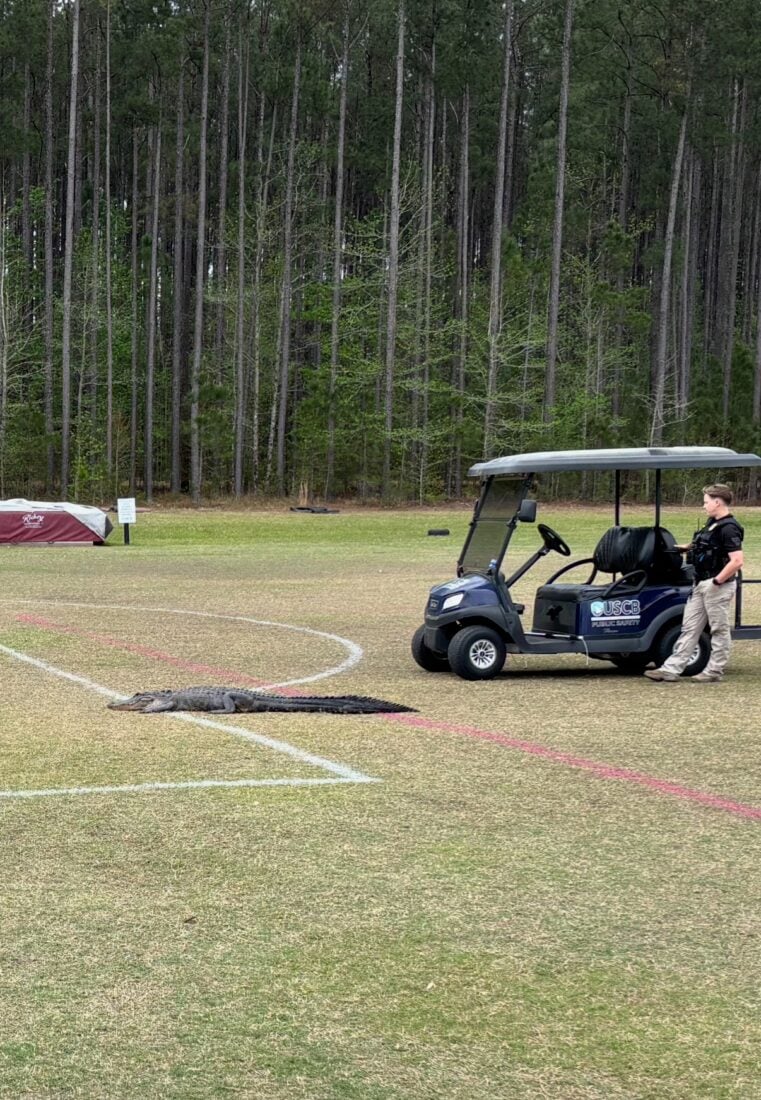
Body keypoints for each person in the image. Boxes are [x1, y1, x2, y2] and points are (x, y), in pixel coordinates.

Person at [644, 484, 744, 683]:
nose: (704, 505)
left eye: (706, 502)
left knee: (718, 629)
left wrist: (716, 582)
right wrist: (688, 547)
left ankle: (714, 671)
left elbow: (737, 561)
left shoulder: (730, 528)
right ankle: (671, 669)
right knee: (689, 627)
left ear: (717, 502)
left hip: (717, 586)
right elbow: (707, 543)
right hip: (700, 584)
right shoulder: (712, 523)